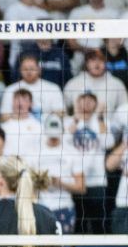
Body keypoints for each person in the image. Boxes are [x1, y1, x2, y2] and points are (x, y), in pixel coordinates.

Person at [67, 92, 114, 233]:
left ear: (96, 104)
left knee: (99, 222)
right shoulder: (70, 120)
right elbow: (64, 141)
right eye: (83, 100)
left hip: (97, 181)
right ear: (77, 103)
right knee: (78, 223)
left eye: (90, 101)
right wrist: (76, 119)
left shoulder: (102, 122)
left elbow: (109, 143)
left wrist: (100, 117)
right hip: (75, 180)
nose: (86, 104)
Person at [35, 115, 86, 233]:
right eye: (51, 136)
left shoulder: (72, 152)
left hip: (64, 206)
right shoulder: (34, 152)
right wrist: (40, 182)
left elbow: (82, 187)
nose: (53, 139)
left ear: (62, 132)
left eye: (56, 136)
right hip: (40, 207)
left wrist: (59, 183)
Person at [64, 48, 128, 116]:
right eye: (93, 60)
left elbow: (125, 110)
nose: (97, 64)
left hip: (108, 125)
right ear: (86, 63)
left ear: (106, 63)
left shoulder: (117, 84)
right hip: (78, 125)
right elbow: (64, 109)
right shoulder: (73, 83)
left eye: (101, 60)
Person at [1, 55, 65, 120]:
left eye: (32, 68)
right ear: (20, 70)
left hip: (46, 127)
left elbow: (61, 113)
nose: (29, 72)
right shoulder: (10, 89)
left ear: (39, 70)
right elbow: (4, 116)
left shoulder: (53, 88)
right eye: (25, 69)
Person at [3, 0, 49, 64]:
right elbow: (14, 34)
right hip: (18, 60)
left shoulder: (43, 13)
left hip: (41, 60)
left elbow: (51, 38)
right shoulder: (12, 10)